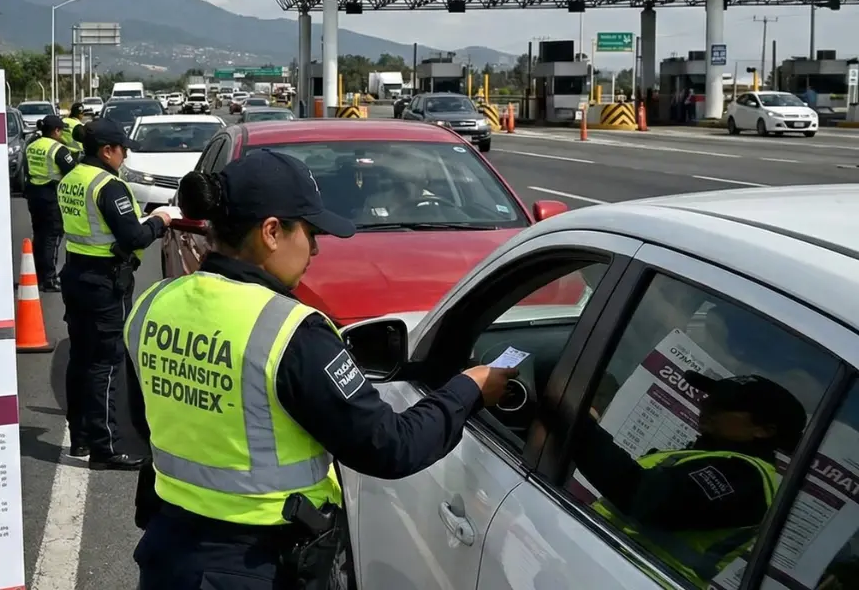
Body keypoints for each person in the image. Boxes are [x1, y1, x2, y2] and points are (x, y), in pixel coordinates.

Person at [122, 149, 519, 589]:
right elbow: (390, 446)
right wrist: (469, 389)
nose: (313, 248)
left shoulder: (154, 304)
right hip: (256, 565)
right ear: (272, 231)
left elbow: (146, 421)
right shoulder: (290, 331)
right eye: (309, 232)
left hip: (168, 552)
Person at [573, 371, 806, 587]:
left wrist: (576, 420)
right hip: (602, 568)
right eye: (711, 397)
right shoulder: (712, 457)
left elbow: (644, 498)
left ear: (764, 430)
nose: (706, 404)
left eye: (724, 405)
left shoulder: (747, 480)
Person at [58, 117, 171, 467]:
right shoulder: (108, 185)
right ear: (107, 151)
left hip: (76, 273)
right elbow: (133, 239)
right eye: (122, 150)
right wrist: (160, 221)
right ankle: (106, 447)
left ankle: (80, 438)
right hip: (105, 282)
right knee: (106, 362)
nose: (124, 157)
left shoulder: (72, 178)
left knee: (81, 357)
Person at [24, 115, 77, 291]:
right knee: (52, 237)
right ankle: (49, 279)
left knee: (39, 234)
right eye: (61, 130)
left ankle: (37, 275)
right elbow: (73, 173)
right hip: (51, 195)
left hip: (34, 193)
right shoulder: (58, 149)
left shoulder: (31, 146)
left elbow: (25, 169)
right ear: (56, 131)